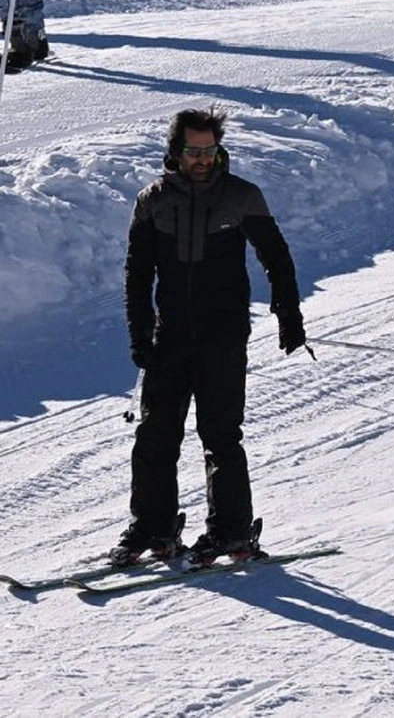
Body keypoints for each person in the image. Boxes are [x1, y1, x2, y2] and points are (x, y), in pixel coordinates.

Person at [112, 107, 307, 567]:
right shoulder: (153, 200)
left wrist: (289, 314)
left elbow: (276, 257)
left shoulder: (242, 196)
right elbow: (137, 273)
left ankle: (232, 531)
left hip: (222, 333)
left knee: (220, 434)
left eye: (209, 150)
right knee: (155, 433)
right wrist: (139, 331)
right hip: (171, 333)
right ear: (175, 151)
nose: (202, 159)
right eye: (193, 151)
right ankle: (154, 526)